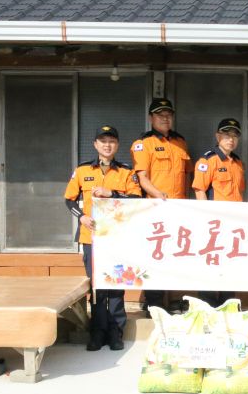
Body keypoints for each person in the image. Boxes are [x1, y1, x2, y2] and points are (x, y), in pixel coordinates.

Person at [64, 125, 142, 351]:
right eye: (103, 141)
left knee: (116, 283)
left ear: (117, 145)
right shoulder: (82, 170)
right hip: (92, 238)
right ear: (95, 144)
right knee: (97, 286)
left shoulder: (126, 171)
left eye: (112, 141)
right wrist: (81, 216)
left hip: (118, 238)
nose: (107, 145)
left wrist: (113, 194)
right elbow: (69, 199)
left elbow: (137, 199)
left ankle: (116, 331)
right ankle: (97, 332)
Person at [131, 98, 192, 312]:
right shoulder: (143, 144)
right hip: (155, 210)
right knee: (154, 256)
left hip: (178, 210)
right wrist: (159, 195)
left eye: (168, 114)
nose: (165, 118)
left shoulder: (180, 142)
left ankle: (175, 300)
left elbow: (187, 175)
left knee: (177, 255)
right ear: (151, 118)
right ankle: (154, 303)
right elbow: (142, 178)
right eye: (160, 114)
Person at [192, 118, 245, 307]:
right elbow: (200, 190)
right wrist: (208, 221)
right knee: (210, 264)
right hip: (214, 225)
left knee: (230, 264)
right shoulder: (208, 160)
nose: (231, 139)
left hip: (233, 225)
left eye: (235, 136)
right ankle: (208, 306)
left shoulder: (238, 163)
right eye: (226, 135)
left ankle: (228, 304)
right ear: (217, 136)